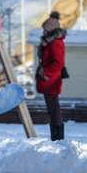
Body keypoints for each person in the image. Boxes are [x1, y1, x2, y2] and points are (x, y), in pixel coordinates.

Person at [36, 11, 66, 141]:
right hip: (49, 80)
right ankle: (56, 137)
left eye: (45, 30)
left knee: (54, 110)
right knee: (52, 110)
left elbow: (58, 63)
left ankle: (58, 138)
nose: (43, 32)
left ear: (50, 30)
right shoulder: (50, 42)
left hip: (51, 80)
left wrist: (45, 72)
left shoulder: (56, 43)